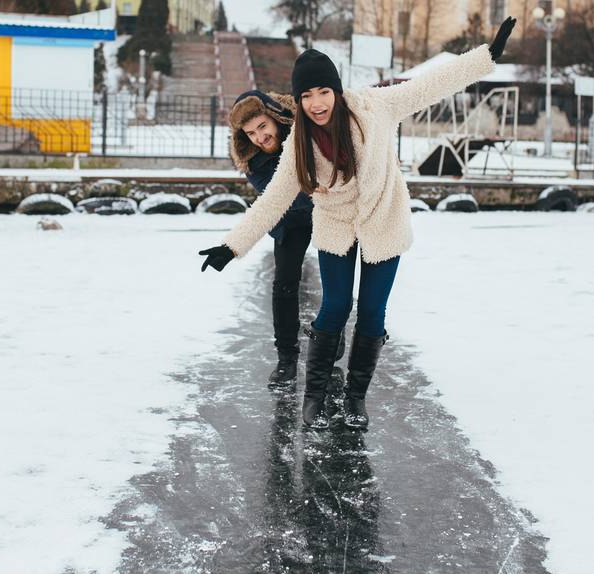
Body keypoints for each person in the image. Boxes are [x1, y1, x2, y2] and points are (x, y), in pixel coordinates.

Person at [200, 17, 518, 430]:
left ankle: (355, 398)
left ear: (336, 89)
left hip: (383, 220)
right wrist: (232, 245)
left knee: (372, 312)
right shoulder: (298, 142)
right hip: (336, 225)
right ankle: (314, 398)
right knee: (335, 305)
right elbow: (272, 200)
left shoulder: (375, 106)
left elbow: (430, 84)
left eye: (323, 91)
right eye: (306, 95)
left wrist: (486, 57)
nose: (316, 103)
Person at [227, 90, 344, 392]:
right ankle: (286, 358)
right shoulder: (251, 158)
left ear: (275, 118)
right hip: (288, 219)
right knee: (284, 285)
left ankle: (330, 342)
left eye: (262, 127)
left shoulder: (304, 135)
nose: (259, 137)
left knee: (336, 280)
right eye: (251, 133)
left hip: (326, 212)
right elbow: (281, 198)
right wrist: (311, 187)